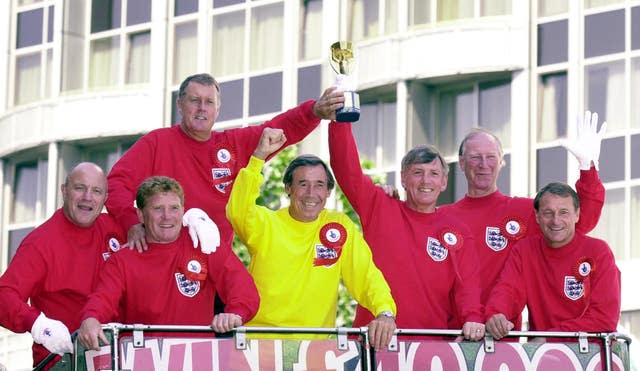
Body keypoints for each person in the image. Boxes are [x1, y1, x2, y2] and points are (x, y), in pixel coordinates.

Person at [106, 73, 344, 253]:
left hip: (215, 268)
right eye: (194, 100)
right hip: (164, 262)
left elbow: (276, 130)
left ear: (218, 109)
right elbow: (116, 183)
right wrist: (131, 223)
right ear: (180, 105)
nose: (202, 108)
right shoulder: (157, 142)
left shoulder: (232, 145)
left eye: (209, 102)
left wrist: (314, 111)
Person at [226, 127, 397, 351]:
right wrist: (258, 157)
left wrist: (384, 311)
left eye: (319, 185)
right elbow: (237, 209)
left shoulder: (338, 226)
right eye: (303, 184)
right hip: (259, 345)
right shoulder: (266, 223)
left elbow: (366, 275)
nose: (311, 193)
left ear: (328, 192)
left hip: (313, 352)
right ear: (288, 188)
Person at [440, 111, 606, 329]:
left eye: (490, 157)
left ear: (501, 162)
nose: (483, 164)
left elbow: (581, 222)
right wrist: (387, 194)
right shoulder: (441, 217)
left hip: (502, 334)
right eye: (474, 157)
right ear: (461, 163)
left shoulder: (524, 211)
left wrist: (588, 169)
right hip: (447, 337)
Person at [328, 122, 485, 341]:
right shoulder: (380, 207)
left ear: (444, 182)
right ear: (403, 178)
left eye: (433, 173)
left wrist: (473, 318)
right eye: (417, 173)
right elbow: (347, 171)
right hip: (373, 344)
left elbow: (467, 286)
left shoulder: (457, 231)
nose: (425, 181)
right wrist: (340, 121)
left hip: (428, 349)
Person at [78, 176, 259, 350]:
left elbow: (243, 288)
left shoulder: (204, 245)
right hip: (142, 361)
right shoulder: (123, 259)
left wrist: (235, 314)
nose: (167, 216)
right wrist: (91, 318)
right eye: (157, 209)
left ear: (183, 210)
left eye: (174, 208)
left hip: (199, 361)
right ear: (140, 214)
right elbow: (102, 299)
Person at [0, 162, 125, 368]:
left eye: (96, 191)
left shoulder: (114, 228)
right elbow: (4, 296)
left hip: (117, 358)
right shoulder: (41, 243)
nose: (87, 197)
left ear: (105, 199)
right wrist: (39, 325)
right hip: (65, 360)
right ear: (64, 191)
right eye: (79, 188)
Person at [485, 182, 620, 339]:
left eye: (564, 213)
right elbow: (508, 291)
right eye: (548, 213)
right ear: (537, 216)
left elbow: (604, 318)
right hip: (542, 355)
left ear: (577, 215)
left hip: (591, 356)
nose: (556, 220)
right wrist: (497, 314)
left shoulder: (598, 251)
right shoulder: (525, 250)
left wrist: (550, 337)